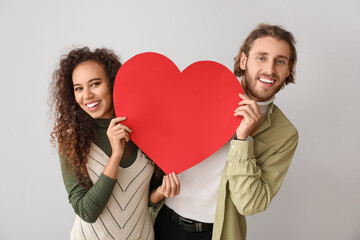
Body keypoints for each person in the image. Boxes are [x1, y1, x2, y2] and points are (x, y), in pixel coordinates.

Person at [154, 23, 299, 240]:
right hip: (159, 220)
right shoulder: (204, 91)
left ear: (288, 69)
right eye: (261, 57)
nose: (270, 69)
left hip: (216, 232)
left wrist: (243, 139)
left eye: (280, 61)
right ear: (243, 60)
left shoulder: (284, 135)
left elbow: (251, 204)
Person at [49, 47, 180, 240]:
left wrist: (159, 193)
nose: (86, 95)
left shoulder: (143, 130)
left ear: (112, 83)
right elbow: (87, 212)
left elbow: (142, 198)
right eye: (78, 88)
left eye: (95, 84)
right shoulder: (72, 139)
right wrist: (115, 155)